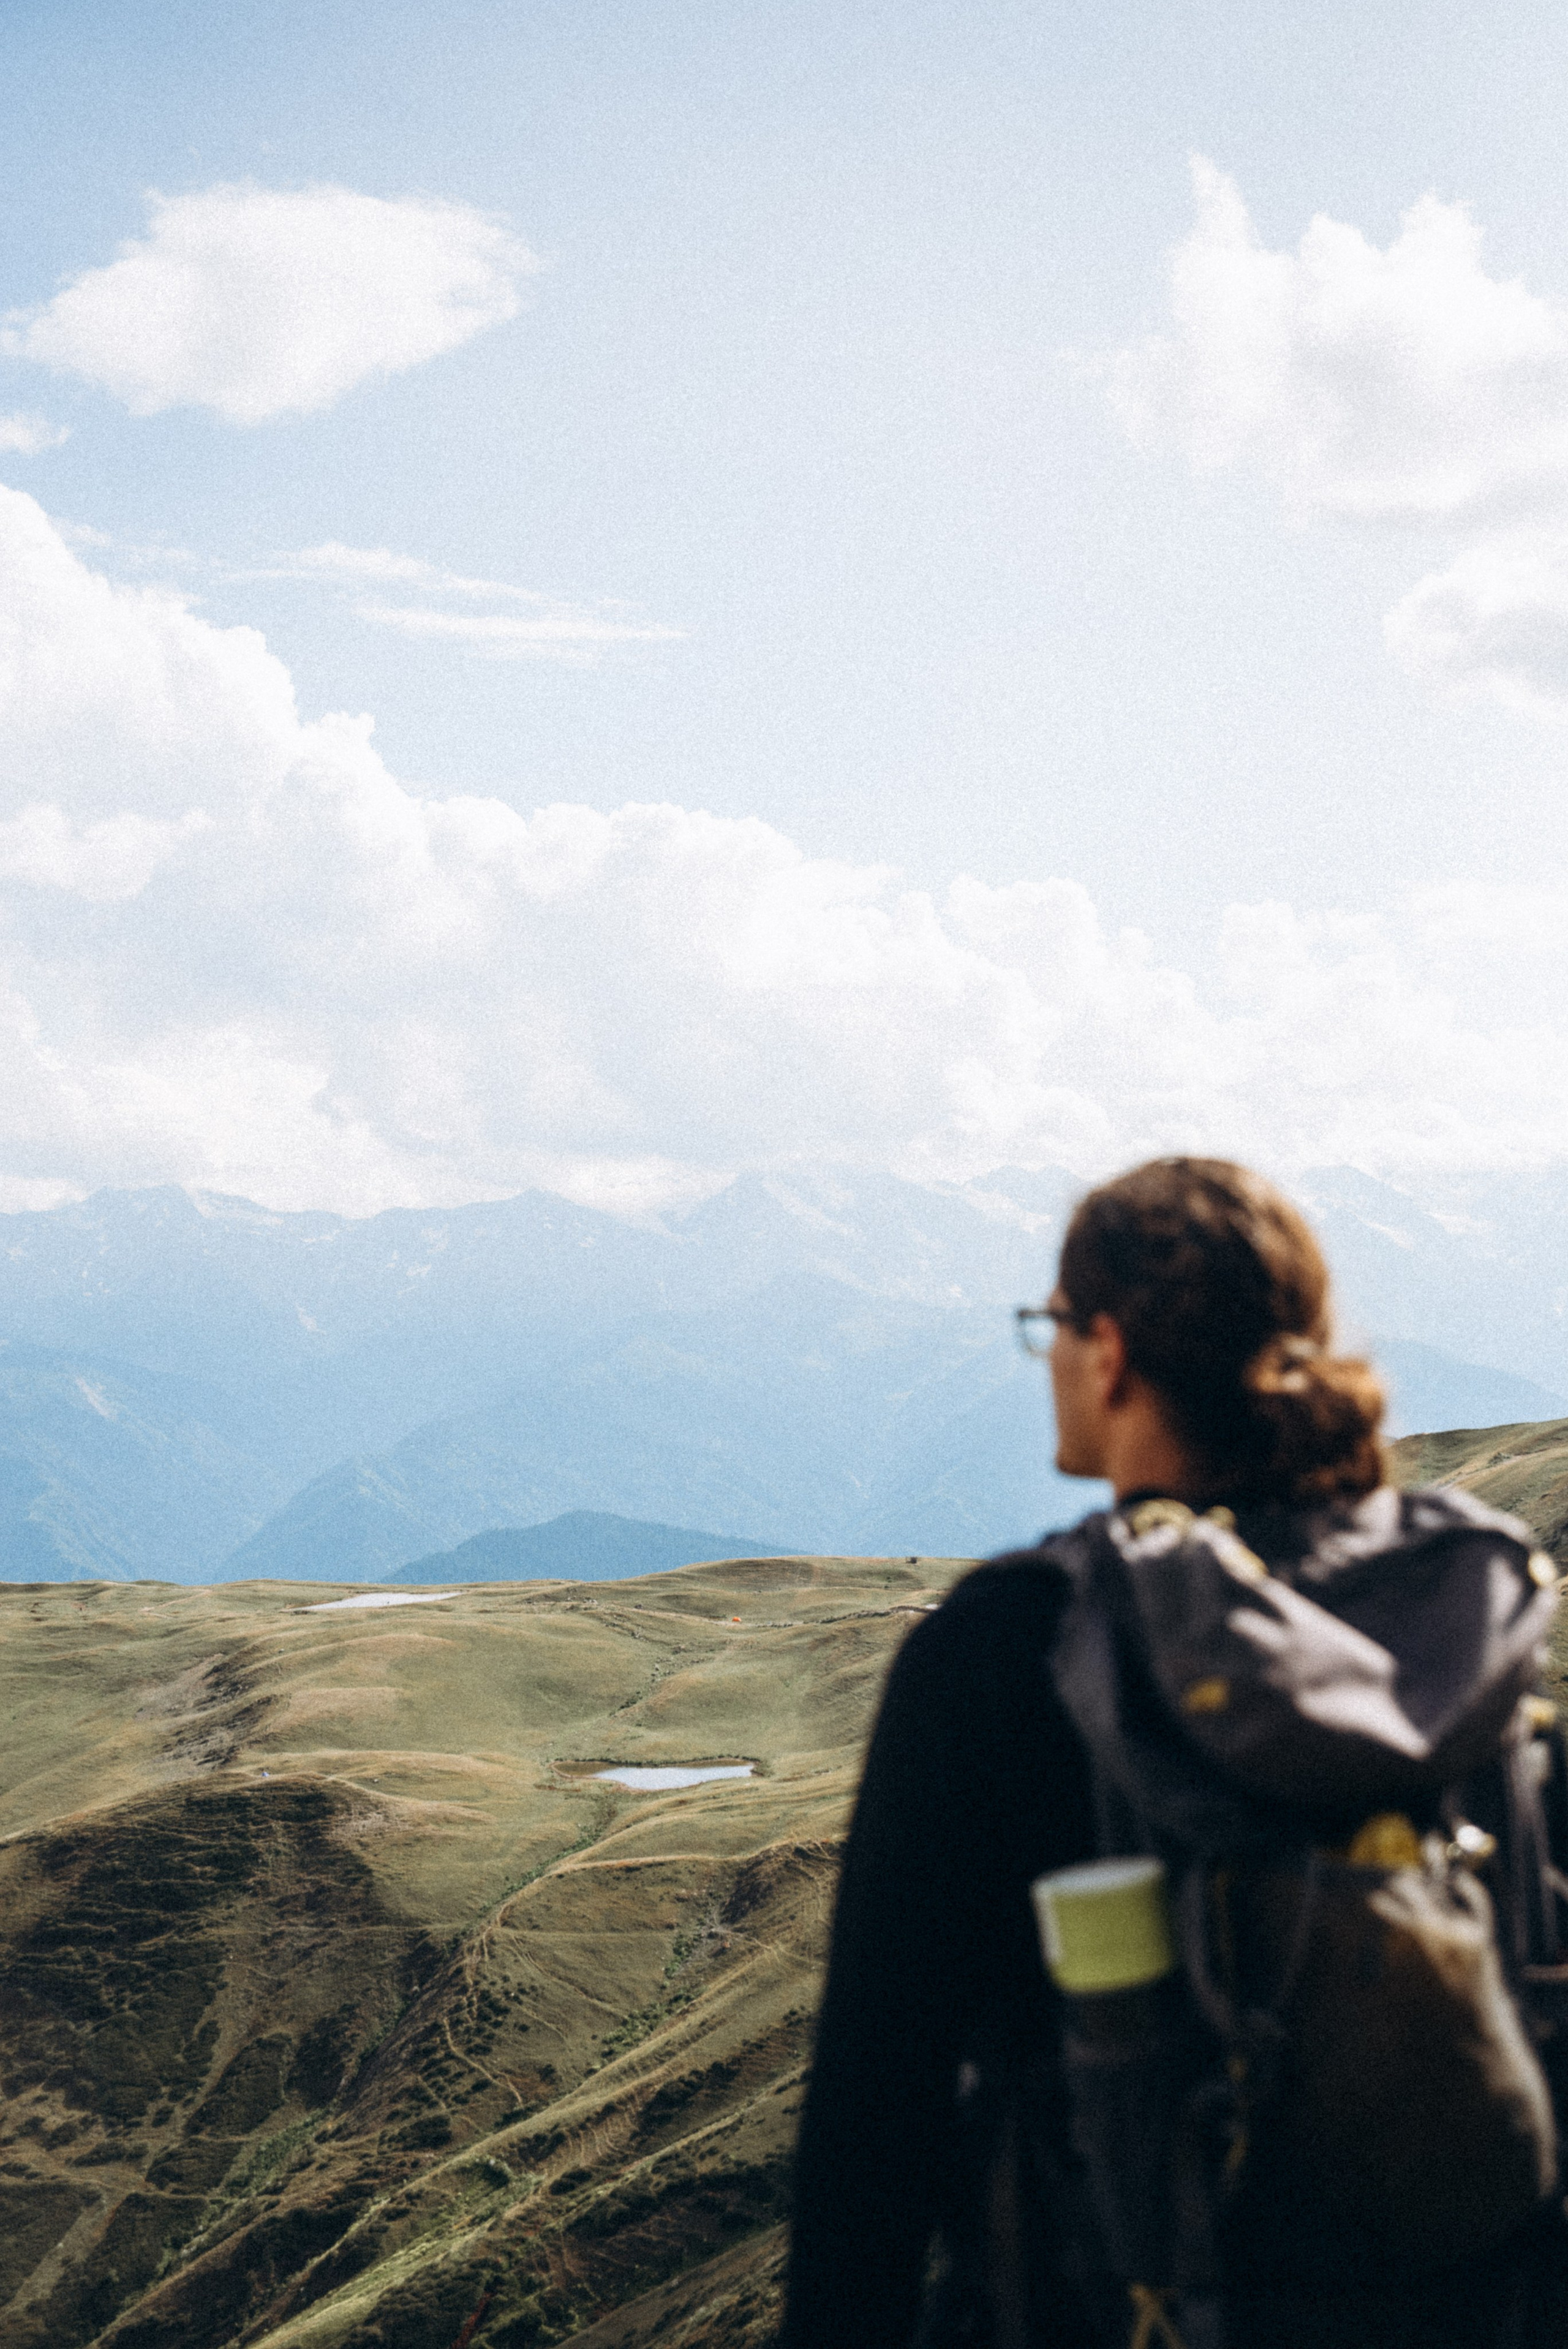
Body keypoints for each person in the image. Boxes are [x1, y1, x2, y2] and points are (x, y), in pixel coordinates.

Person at [781, 1156, 1568, 2349]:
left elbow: (871, 2117)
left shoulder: (1005, 1650)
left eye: (1049, 1326)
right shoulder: (1456, 1614)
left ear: (1107, 1350)